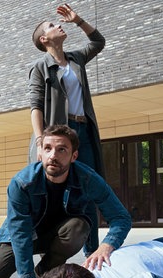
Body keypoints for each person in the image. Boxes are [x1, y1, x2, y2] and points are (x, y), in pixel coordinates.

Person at [0, 125, 132, 278]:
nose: (53, 155)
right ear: (41, 151)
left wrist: (105, 247)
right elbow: (20, 232)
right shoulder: (22, 183)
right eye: (48, 148)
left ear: (74, 156)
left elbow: (120, 217)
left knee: (79, 226)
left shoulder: (88, 179)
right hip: (22, 235)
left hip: (58, 234)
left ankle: (46, 270)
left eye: (61, 149)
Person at [28, 3, 105, 179]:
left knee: (89, 179)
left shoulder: (76, 59)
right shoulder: (40, 67)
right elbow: (36, 107)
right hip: (58, 133)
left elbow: (98, 42)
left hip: (83, 130)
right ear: (44, 39)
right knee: (60, 182)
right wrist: (41, 142)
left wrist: (78, 20)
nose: (58, 26)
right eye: (51, 26)